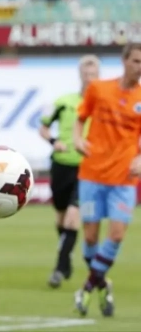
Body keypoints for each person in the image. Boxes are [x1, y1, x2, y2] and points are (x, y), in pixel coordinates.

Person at [73, 43, 141, 317]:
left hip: (124, 178)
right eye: (136, 61)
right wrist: (77, 139)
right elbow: (81, 118)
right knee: (90, 237)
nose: (139, 67)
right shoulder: (98, 89)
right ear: (124, 61)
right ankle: (102, 284)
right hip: (92, 173)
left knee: (116, 234)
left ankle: (87, 287)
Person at [39, 55, 100, 288]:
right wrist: (53, 141)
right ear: (80, 75)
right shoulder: (64, 102)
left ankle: (59, 267)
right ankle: (66, 257)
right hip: (61, 164)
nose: (89, 78)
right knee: (61, 217)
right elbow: (43, 127)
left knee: (74, 216)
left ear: (98, 76)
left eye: (93, 75)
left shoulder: (102, 104)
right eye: (86, 74)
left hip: (87, 167)